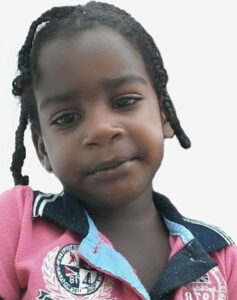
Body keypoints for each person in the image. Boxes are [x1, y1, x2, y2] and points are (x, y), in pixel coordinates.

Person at [0, 1, 236, 299]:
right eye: (67, 118)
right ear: (42, 148)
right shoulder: (18, 225)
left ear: (165, 116)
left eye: (124, 101)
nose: (101, 130)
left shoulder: (218, 257)